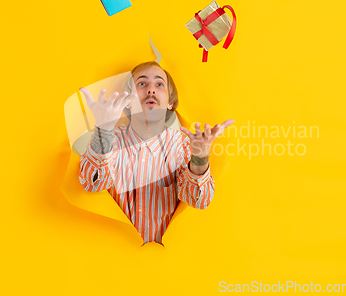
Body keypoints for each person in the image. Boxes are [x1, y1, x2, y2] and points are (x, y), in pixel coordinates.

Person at [78, 61, 234, 245]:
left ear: (170, 103)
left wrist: (200, 157)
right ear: (128, 102)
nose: (151, 89)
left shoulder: (183, 146)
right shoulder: (110, 140)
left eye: (159, 84)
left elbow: (199, 201)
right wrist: (103, 128)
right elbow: (91, 183)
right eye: (142, 83)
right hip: (114, 256)